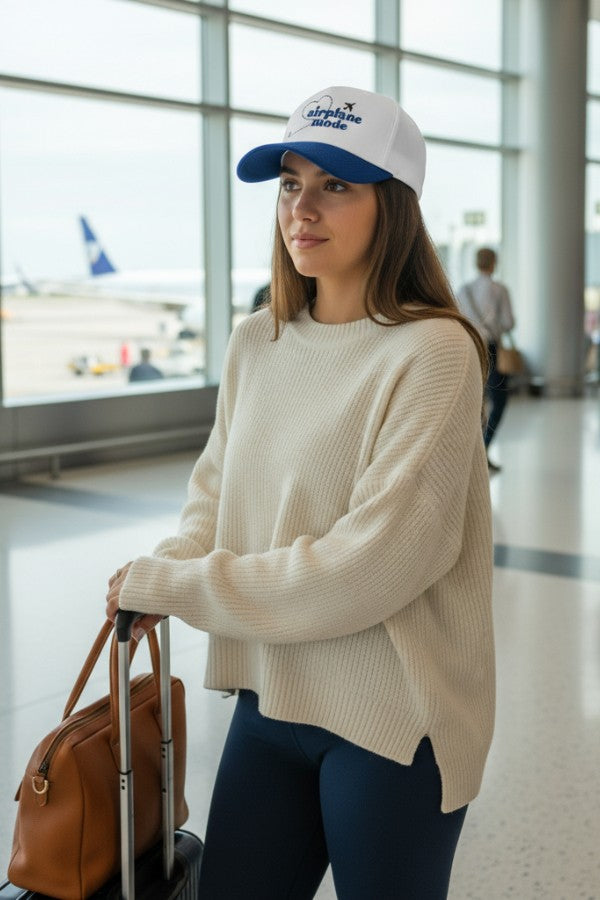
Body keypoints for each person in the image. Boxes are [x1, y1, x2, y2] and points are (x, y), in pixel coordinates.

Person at [106, 85, 495, 899]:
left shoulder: (434, 352)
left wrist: (181, 585)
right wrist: (163, 568)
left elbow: (372, 567)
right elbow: (210, 501)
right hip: (271, 699)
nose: (302, 208)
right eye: (290, 183)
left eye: (336, 185)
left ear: (393, 207)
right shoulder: (259, 339)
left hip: (393, 724)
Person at [458, 247, 516, 472]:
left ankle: (469, 455)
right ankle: (483, 448)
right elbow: (509, 322)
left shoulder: (464, 290)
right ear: (494, 263)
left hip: (467, 346)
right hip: (490, 347)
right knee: (498, 400)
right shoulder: (499, 290)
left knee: (472, 401)